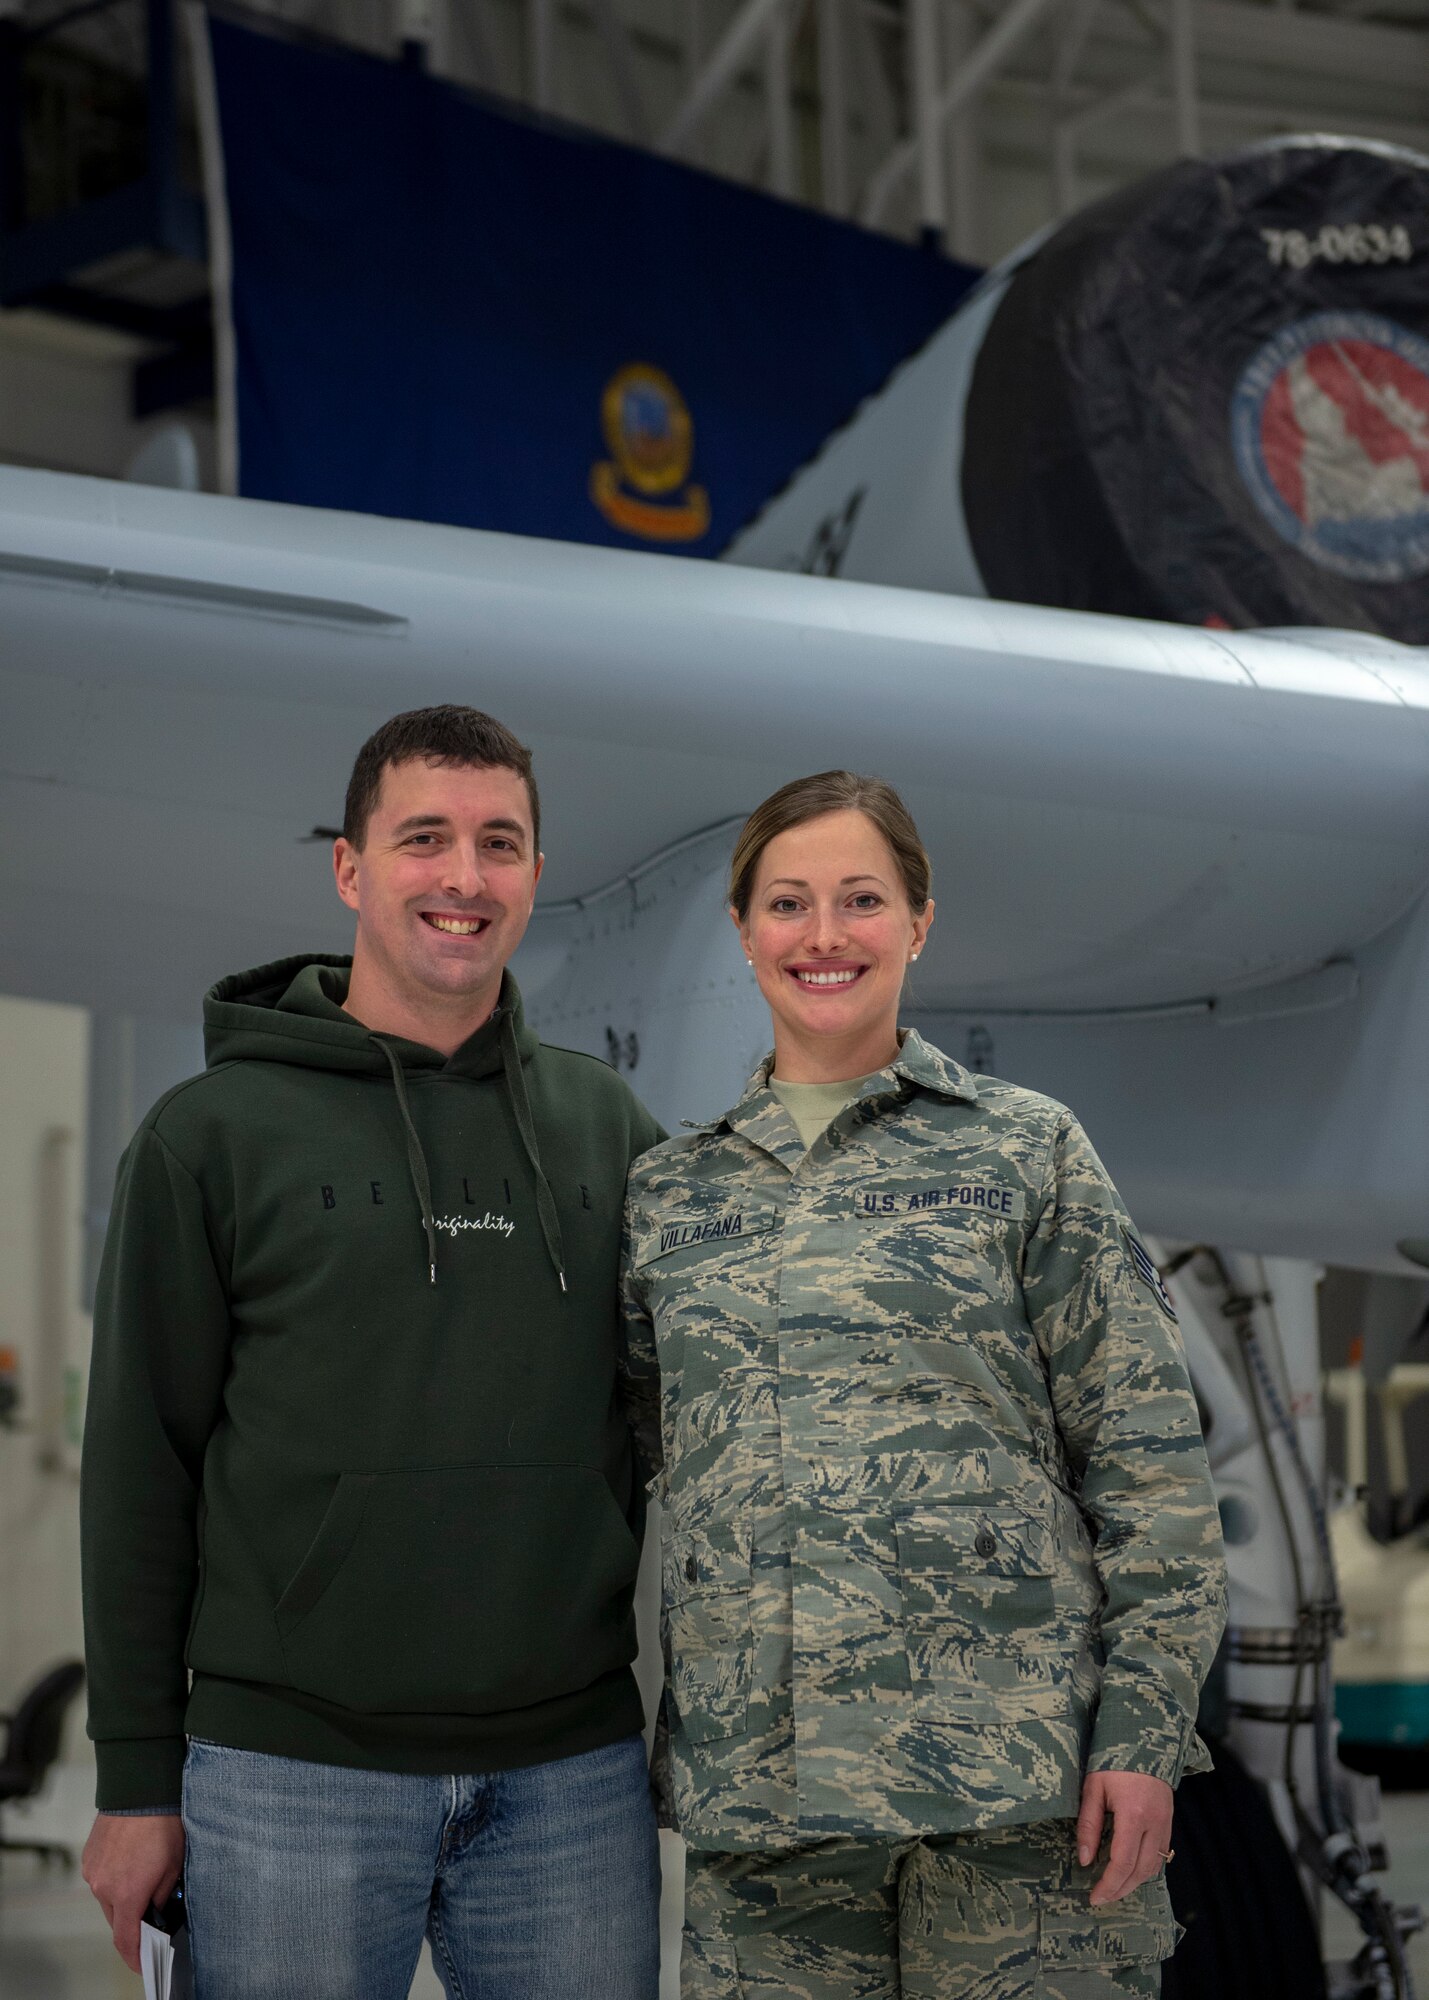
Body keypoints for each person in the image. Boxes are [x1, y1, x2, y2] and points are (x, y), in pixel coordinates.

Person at [80, 705, 663, 2000]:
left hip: (568, 1776)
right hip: (291, 1773)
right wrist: (132, 1780)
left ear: (534, 875)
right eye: (425, 839)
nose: (464, 877)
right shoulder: (208, 1139)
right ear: (350, 868)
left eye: (499, 842)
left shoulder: (609, 1128)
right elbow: (138, 1476)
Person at [621, 769, 1227, 1999]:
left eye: (860, 898)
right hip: (766, 1813)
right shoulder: (670, 1194)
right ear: (742, 929)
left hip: (1018, 1794)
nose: (824, 935)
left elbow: (1148, 1462)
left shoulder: (1025, 1147)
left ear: (919, 920)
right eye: (788, 903)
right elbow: (642, 1466)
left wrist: (1145, 1736)